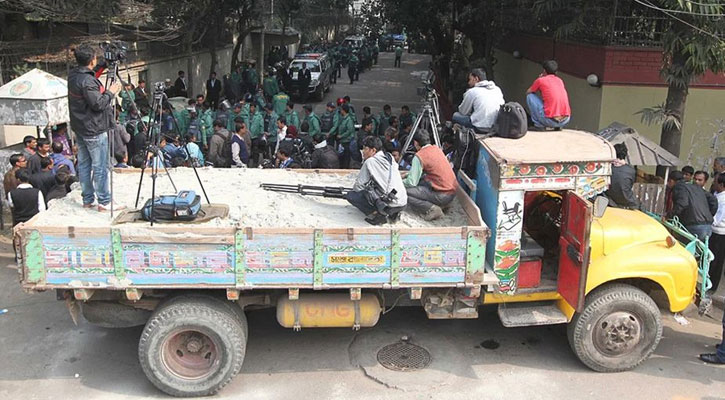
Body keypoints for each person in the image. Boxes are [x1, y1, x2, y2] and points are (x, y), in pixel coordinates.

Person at [68, 43, 122, 211]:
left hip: (80, 127)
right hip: (93, 129)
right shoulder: (88, 82)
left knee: (84, 164)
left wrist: (104, 65)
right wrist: (111, 92)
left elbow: (91, 75)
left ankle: (88, 199)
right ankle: (104, 201)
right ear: (91, 60)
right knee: (100, 166)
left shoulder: (74, 75)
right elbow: (98, 104)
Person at [346, 136, 407, 225]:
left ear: (373, 150)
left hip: (388, 204)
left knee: (352, 196)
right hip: (402, 202)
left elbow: (358, 186)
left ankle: (378, 215)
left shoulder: (370, 161)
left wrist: (364, 194)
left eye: (365, 149)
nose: (363, 152)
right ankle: (393, 214)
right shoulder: (389, 157)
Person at [402, 130, 458, 221]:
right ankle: (444, 205)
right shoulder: (436, 149)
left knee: (404, 192)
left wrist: (398, 182)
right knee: (422, 181)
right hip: (452, 192)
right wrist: (409, 174)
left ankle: (432, 209)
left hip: (442, 195)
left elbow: (411, 182)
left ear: (416, 143)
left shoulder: (419, 156)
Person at [667, 170, 718, 241]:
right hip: (707, 227)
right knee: (698, 250)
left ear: (671, 181)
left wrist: (668, 216)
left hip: (694, 226)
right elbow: (713, 200)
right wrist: (709, 215)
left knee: (681, 248)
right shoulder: (695, 187)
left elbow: (682, 204)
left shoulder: (679, 187)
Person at [526, 60, 571, 130]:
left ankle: (538, 125)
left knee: (530, 96)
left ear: (544, 71)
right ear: (556, 72)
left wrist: (539, 79)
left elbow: (528, 92)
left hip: (550, 121)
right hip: (565, 119)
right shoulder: (560, 80)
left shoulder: (540, 80)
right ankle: (558, 126)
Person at [605, 143, 639, 209]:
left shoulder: (607, 168)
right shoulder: (631, 170)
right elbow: (630, 184)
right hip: (629, 203)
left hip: (609, 202)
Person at [709, 173, 725, 293]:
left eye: (715, 182)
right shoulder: (716, 194)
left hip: (720, 233)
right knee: (709, 259)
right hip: (713, 231)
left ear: (721, 185)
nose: (713, 183)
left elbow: (716, 220)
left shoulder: (723, 200)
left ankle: (712, 286)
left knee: (716, 261)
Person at [335, 104, 355, 168]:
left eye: (341, 110)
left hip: (346, 142)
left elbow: (349, 130)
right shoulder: (343, 119)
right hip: (342, 142)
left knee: (346, 158)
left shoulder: (349, 120)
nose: (340, 111)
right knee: (341, 157)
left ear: (344, 111)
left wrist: (341, 136)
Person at [248, 103, 264, 167]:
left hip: (256, 136)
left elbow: (261, 126)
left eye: (252, 107)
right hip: (248, 135)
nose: (251, 109)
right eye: (250, 107)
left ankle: (255, 163)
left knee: (255, 150)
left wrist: (261, 134)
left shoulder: (259, 116)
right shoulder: (248, 115)